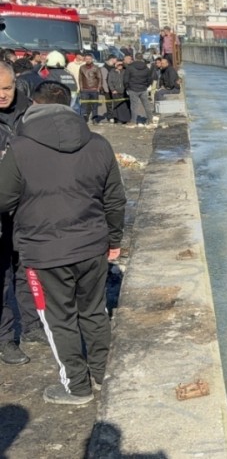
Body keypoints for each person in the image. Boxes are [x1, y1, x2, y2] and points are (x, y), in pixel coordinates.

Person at [0, 80, 126, 405]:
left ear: (34, 105)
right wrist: (114, 238)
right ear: (70, 104)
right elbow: (114, 199)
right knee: (95, 311)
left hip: (44, 252)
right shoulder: (98, 143)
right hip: (93, 245)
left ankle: (77, 387)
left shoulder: (20, 148)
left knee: (59, 319)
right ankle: (102, 375)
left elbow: (3, 199)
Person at [0, 62, 44, 367]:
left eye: (7, 88)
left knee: (27, 268)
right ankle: (5, 339)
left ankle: (32, 325)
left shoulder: (30, 111)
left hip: (27, 206)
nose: (2, 94)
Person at [123, 53, 153, 126]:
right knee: (146, 105)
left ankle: (133, 121)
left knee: (134, 106)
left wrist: (127, 87)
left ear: (134, 58)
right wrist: (146, 85)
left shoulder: (130, 67)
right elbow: (150, 79)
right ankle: (150, 120)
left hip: (133, 88)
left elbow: (125, 79)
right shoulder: (146, 68)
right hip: (143, 88)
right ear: (142, 58)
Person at [78, 53, 103, 124]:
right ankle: (83, 119)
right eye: (86, 59)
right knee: (84, 105)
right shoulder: (82, 67)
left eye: (89, 59)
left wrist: (98, 88)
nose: (88, 60)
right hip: (85, 90)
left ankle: (94, 119)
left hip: (94, 89)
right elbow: (80, 78)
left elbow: (100, 78)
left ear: (92, 59)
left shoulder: (96, 68)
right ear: (84, 60)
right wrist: (81, 88)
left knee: (94, 106)